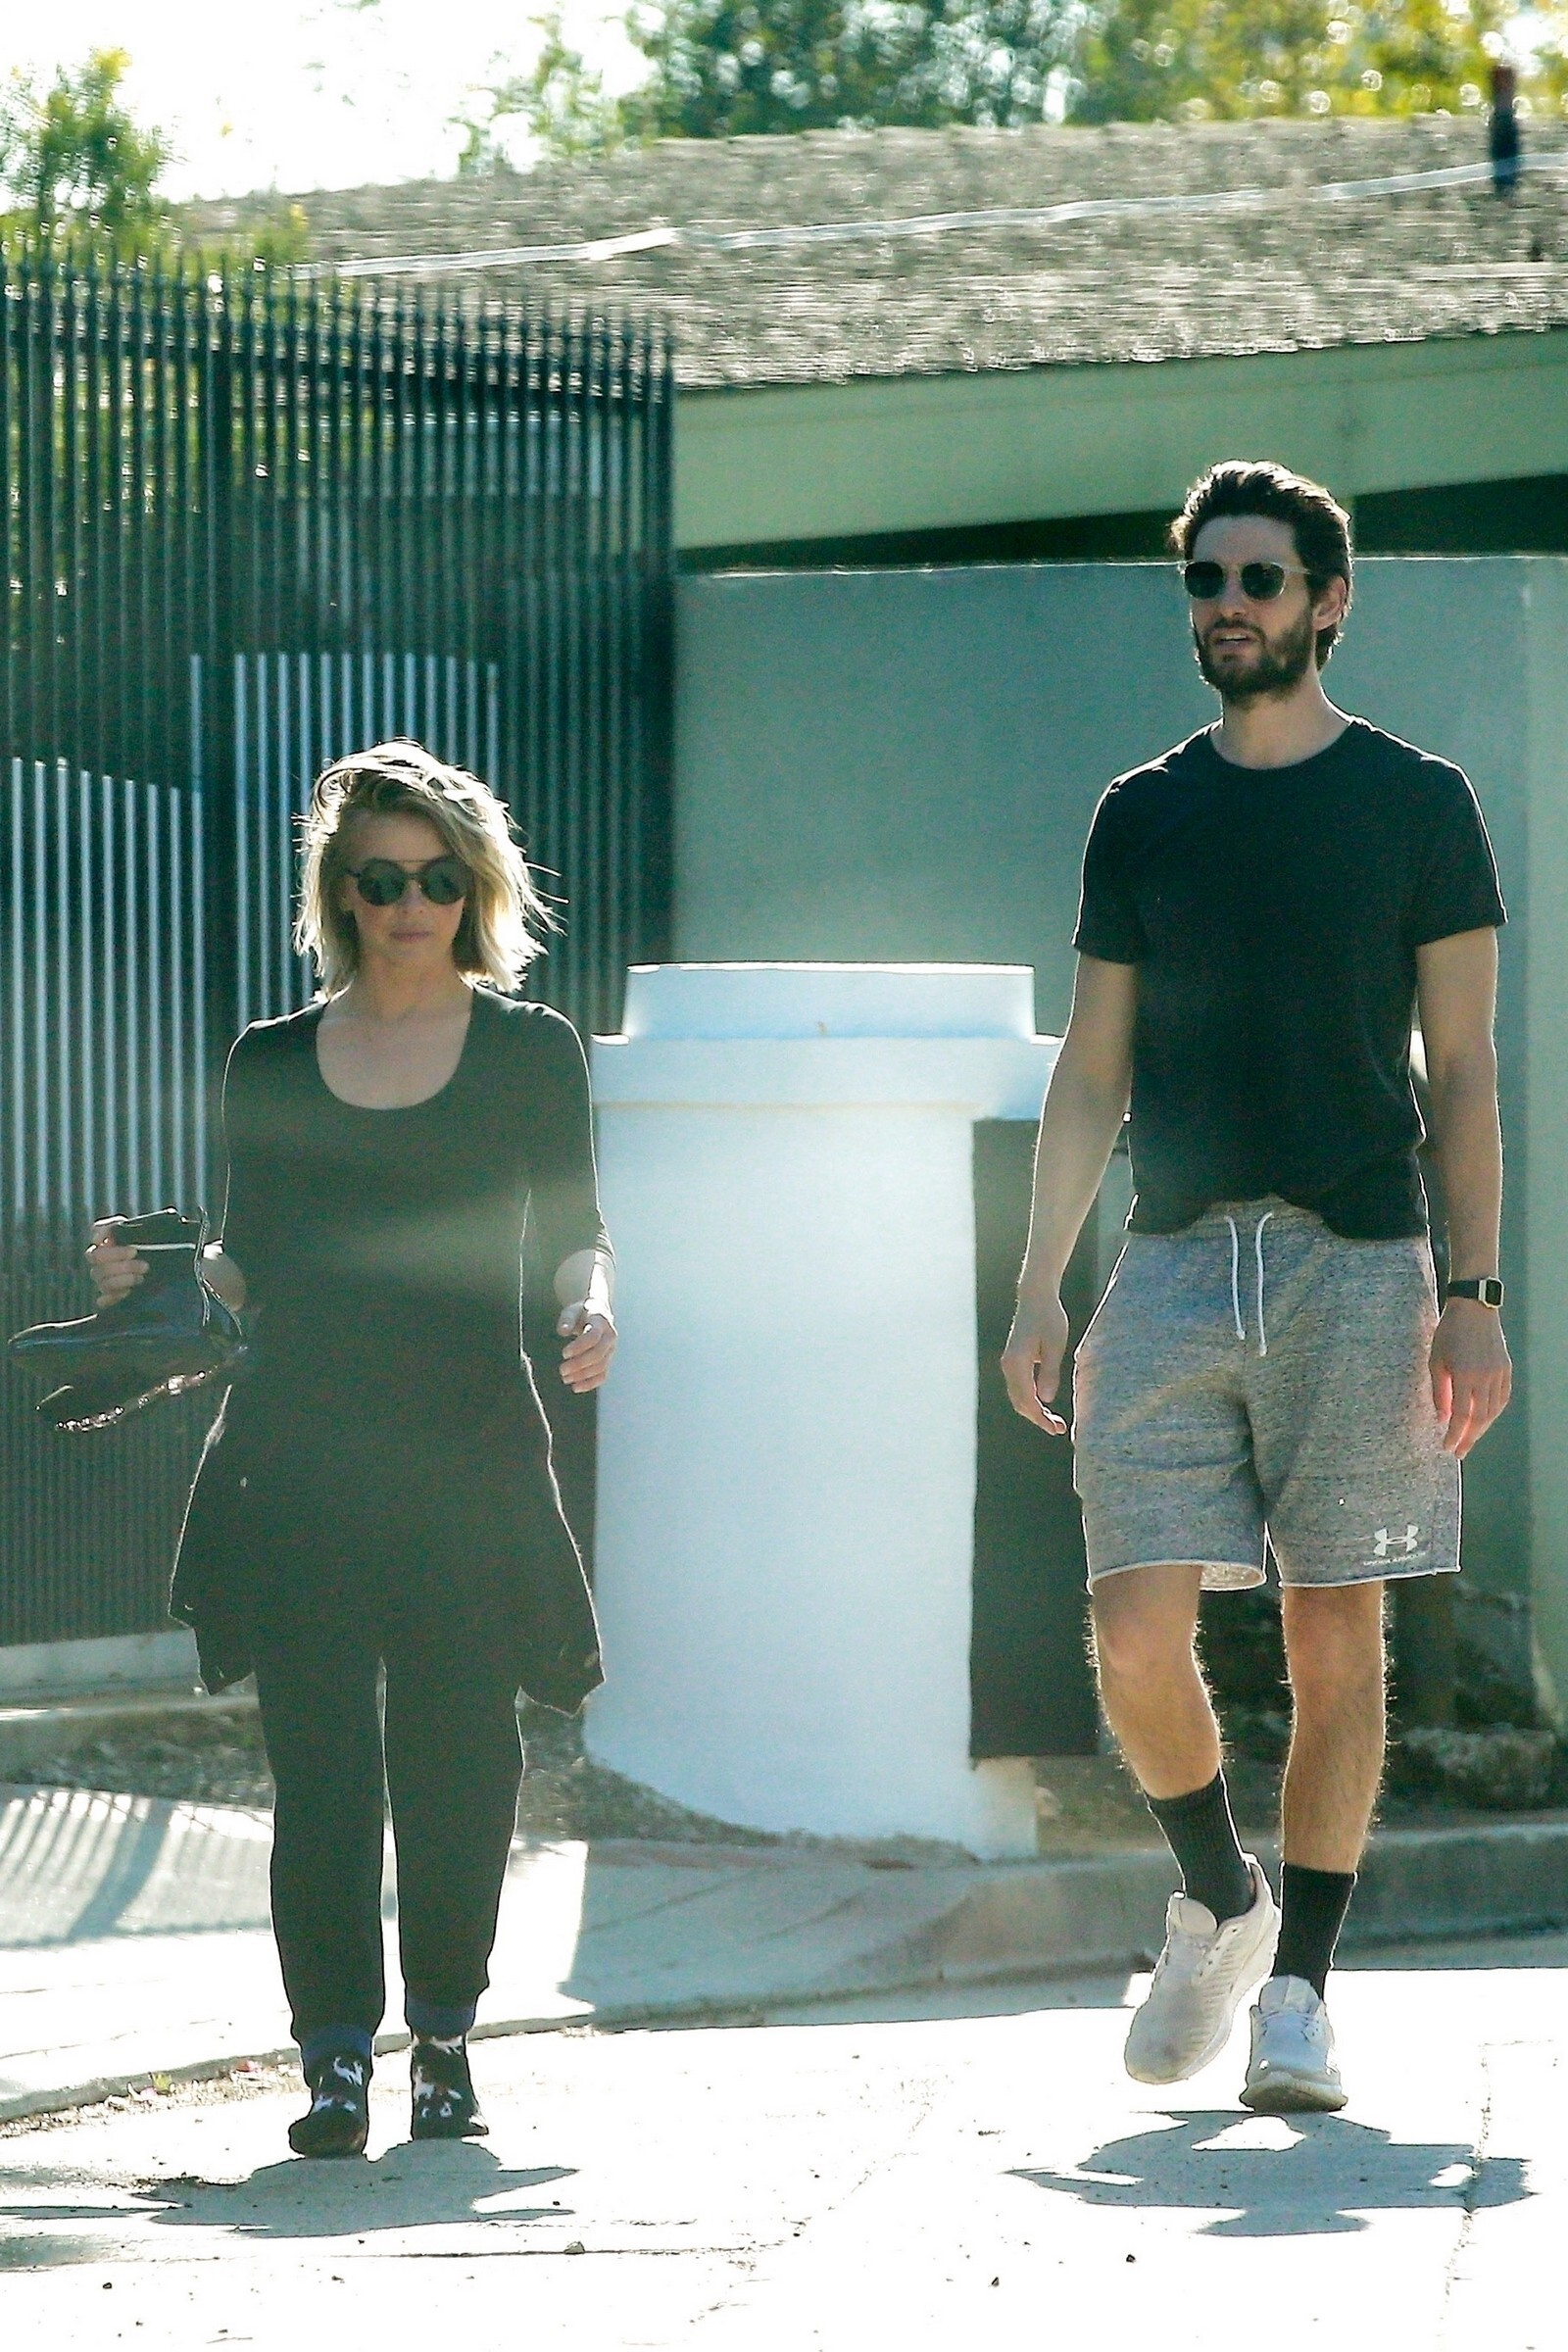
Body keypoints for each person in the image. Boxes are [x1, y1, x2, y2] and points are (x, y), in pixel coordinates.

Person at [1003, 462, 1510, 2113]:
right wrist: (1040, 1286)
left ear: (1326, 601)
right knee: (1131, 1628)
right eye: (1206, 580)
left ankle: (1302, 1998)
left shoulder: (1418, 803)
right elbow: (1092, 1068)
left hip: (1359, 1258)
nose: (1229, 604)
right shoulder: (1142, 810)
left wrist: (1476, 1291)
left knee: (1335, 1633)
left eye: (1260, 579)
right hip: (1168, 1258)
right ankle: (1223, 1901)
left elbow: (1466, 1071)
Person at [88, 741, 615, 2158]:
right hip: (299, 1453)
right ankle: (332, 2062)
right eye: (380, 882)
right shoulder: (271, 1058)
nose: (409, 906)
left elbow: (577, 1227)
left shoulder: (528, 1051)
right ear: (341, 894)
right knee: (319, 1774)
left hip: (469, 1452)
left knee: (462, 1763)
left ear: (475, 889)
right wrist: (158, 1284)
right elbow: (245, 1256)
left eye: (437, 880)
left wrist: (590, 1307)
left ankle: (443, 2041)